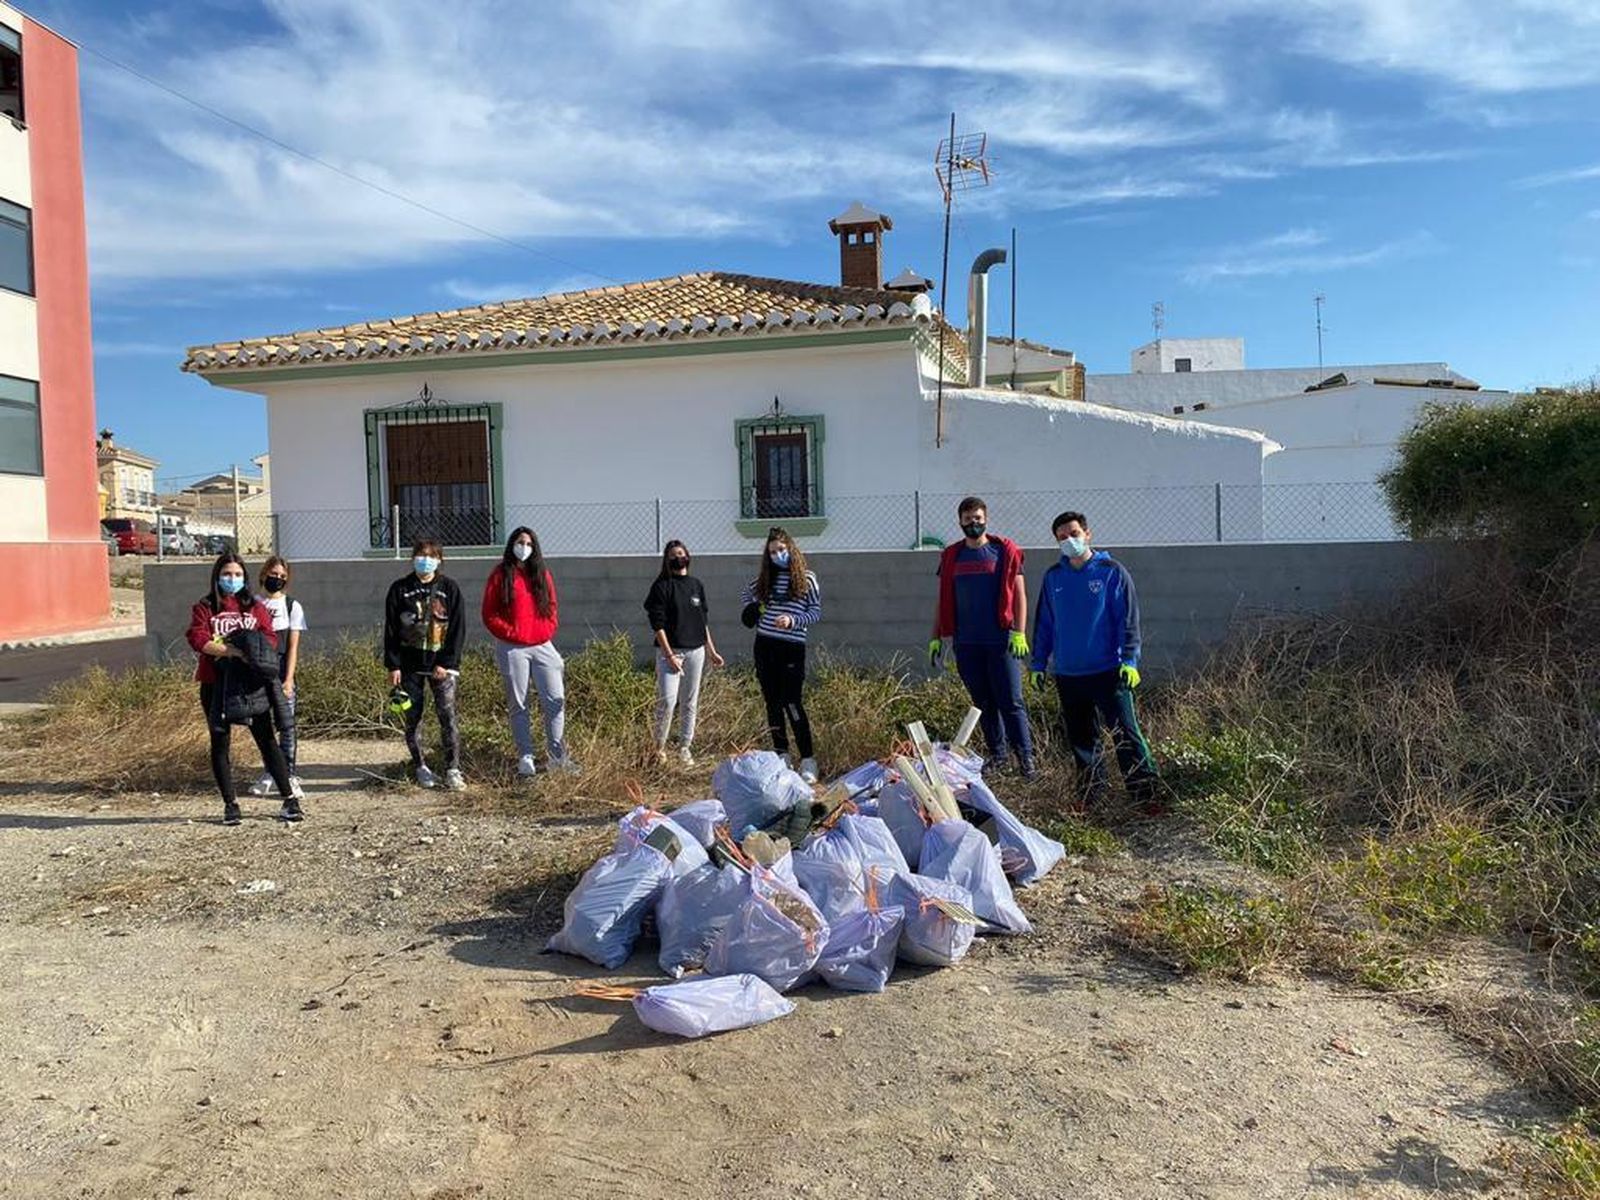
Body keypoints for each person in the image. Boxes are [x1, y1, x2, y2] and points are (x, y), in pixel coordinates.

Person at [1029, 510, 1160, 810]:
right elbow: (1045, 624)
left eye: (1074, 534)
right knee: (1083, 741)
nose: (1069, 541)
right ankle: (1092, 798)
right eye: (1062, 538)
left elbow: (1127, 621)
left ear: (1088, 534)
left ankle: (1145, 796)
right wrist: (1038, 664)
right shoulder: (1054, 578)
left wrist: (1130, 661)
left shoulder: (1111, 572)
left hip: (1109, 671)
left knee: (1126, 734)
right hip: (1069, 673)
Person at [186, 552, 299, 825]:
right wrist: (234, 651)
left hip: (251, 684)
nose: (232, 579)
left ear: (245, 578)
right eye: (227, 574)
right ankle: (230, 804)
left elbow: (270, 637)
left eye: (237, 574)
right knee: (220, 741)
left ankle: (289, 799)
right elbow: (198, 638)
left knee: (266, 739)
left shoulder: (254, 606)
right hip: (216, 683)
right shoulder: (206, 606)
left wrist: (254, 649)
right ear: (217, 576)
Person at [927, 496, 1035, 778]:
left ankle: (1026, 759)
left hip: (1001, 641)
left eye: (977, 518)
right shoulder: (952, 556)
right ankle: (998, 756)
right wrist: (936, 636)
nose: (973, 523)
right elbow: (943, 600)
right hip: (967, 643)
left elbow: (1020, 595)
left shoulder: (1004, 552)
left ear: (985, 518)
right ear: (960, 521)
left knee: (1011, 701)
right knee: (983, 702)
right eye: (967, 519)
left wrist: (1020, 632)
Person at [481, 526, 579, 779]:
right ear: (511, 544)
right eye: (519, 541)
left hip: (542, 645)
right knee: (519, 703)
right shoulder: (500, 574)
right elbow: (489, 613)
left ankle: (557, 756)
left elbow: (552, 607)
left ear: (534, 548)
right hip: (512, 647)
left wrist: (545, 630)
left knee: (555, 701)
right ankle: (526, 757)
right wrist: (512, 633)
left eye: (528, 543)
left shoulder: (542, 574)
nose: (523, 547)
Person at [740, 527, 822, 783]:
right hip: (765, 645)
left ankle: (808, 758)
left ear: (791, 549)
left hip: (792, 647)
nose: (777, 555)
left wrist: (793, 619)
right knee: (772, 703)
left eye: (781, 550)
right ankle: (781, 755)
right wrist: (755, 608)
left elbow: (815, 612)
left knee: (792, 702)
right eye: (773, 552)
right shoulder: (765, 581)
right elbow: (746, 595)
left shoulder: (806, 579)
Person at [384, 538, 466, 790]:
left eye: (431, 556)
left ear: (440, 560)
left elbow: (458, 629)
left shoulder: (449, 588)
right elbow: (390, 629)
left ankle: (452, 768)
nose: (425, 559)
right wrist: (393, 665)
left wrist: (446, 662)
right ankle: (420, 766)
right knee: (413, 718)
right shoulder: (399, 589)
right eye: (420, 555)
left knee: (447, 716)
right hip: (409, 665)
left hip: (441, 666)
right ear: (412, 558)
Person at [644, 539, 725, 766]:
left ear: (688, 556)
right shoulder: (662, 586)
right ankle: (658, 749)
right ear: (667, 560)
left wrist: (712, 651)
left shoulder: (696, 585)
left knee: (690, 701)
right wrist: (669, 655)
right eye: (672, 555)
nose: (677, 557)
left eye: (680, 553)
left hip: (696, 652)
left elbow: (702, 621)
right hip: (670, 654)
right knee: (667, 701)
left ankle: (685, 747)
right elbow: (657, 625)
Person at [248, 555, 306, 799]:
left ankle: (290, 775)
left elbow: (292, 646)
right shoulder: (251, 604)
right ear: (263, 574)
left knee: (287, 726)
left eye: (282, 576)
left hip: (281, 673)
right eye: (274, 574)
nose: (277, 579)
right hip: (257, 674)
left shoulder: (292, 606)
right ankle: (270, 772)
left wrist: (289, 679)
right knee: (263, 726)